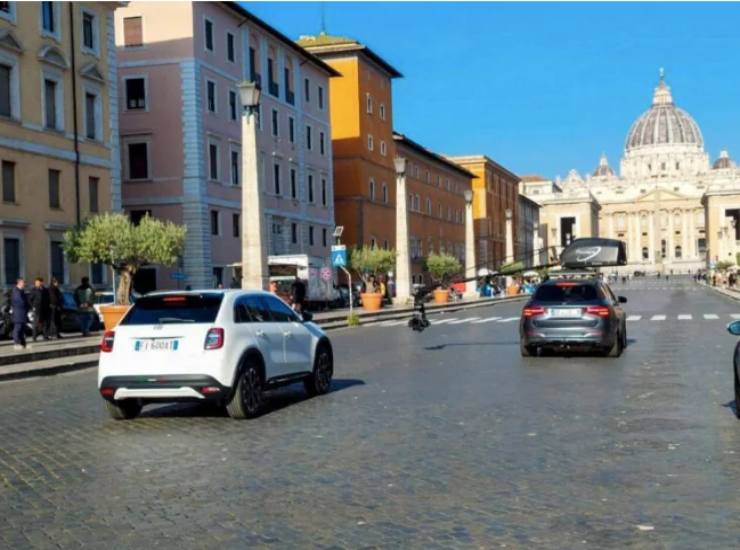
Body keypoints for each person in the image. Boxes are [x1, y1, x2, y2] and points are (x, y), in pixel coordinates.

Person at [29, 277, 51, 341]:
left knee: (45, 323)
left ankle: (45, 336)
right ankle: (34, 337)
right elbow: (30, 299)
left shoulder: (45, 290)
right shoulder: (34, 290)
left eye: (38, 282)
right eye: (36, 283)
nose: (37, 284)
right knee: (36, 324)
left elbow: (48, 299)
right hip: (37, 309)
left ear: (41, 282)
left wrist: (48, 305)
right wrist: (33, 306)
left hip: (45, 309)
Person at [10, 278, 28, 350]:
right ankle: (16, 343)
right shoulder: (16, 291)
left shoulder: (21, 291)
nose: (24, 284)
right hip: (18, 312)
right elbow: (20, 302)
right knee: (18, 328)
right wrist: (26, 305)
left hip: (22, 312)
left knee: (22, 329)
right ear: (19, 283)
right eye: (23, 282)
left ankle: (23, 344)